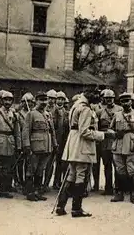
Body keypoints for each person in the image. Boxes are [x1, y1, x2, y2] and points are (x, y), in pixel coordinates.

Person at [55, 88, 112, 217]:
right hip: (82, 145)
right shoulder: (85, 109)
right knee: (81, 175)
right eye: (96, 94)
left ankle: (61, 205)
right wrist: (103, 134)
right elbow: (85, 131)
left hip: (73, 143)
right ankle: (76, 208)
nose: (98, 97)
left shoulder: (76, 105)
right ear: (89, 95)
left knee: (72, 175)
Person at [109, 92, 134, 204]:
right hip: (118, 145)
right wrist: (115, 134)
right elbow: (110, 129)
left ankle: (133, 194)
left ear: (131, 101)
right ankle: (119, 193)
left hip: (132, 145)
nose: (125, 103)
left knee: (132, 170)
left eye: (127, 100)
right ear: (120, 103)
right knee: (119, 170)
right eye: (122, 101)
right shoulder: (117, 115)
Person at [23, 91, 57, 202]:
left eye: (45, 100)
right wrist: (27, 145)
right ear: (36, 101)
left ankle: (38, 192)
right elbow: (26, 131)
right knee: (31, 169)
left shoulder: (48, 114)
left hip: (47, 146)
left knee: (40, 170)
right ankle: (30, 192)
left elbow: (52, 131)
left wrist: (54, 143)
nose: (43, 102)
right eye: (41, 100)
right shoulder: (31, 114)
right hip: (35, 146)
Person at [0, 91, 22, 199]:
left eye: (10, 100)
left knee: (8, 168)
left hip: (10, 143)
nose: (7, 102)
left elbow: (17, 131)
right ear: (1, 101)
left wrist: (18, 145)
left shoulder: (14, 114)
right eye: (5, 100)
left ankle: (5, 189)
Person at [95, 89, 123, 195]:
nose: (109, 100)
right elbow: (97, 127)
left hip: (117, 140)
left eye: (111, 98)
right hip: (105, 141)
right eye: (107, 98)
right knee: (107, 165)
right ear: (104, 99)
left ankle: (119, 187)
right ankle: (108, 187)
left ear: (113, 98)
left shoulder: (120, 109)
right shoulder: (100, 111)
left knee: (118, 165)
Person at [49, 91, 69, 191]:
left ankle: (57, 181)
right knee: (50, 162)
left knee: (60, 163)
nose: (60, 101)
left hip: (62, 141)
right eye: (59, 99)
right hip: (53, 140)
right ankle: (46, 184)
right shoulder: (52, 111)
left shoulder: (66, 112)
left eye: (62, 99)